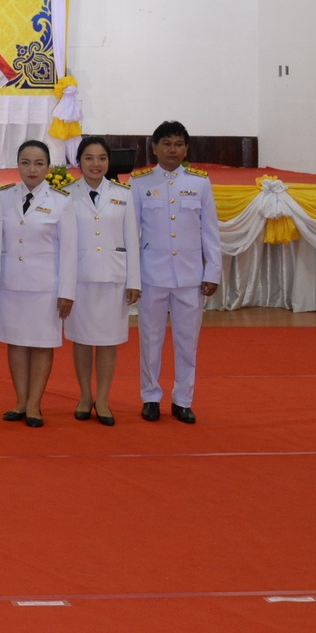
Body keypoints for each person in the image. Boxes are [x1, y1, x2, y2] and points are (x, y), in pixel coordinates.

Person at [131, 120, 222, 424]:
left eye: (179, 144)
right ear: (154, 147)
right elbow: (131, 234)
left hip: (189, 276)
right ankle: (150, 397)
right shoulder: (139, 182)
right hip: (151, 275)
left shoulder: (199, 182)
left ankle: (183, 399)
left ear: (186, 149)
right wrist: (132, 277)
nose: (173, 150)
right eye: (167, 143)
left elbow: (210, 231)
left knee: (187, 342)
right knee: (150, 339)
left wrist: (212, 272)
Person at [0, 139, 78, 427]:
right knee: (16, 343)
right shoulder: (2, 197)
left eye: (39, 163)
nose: (32, 169)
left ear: (48, 167)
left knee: (41, 344)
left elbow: (69, 251)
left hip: (45, 287)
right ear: (17, 164)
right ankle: (19, 401)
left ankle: (34, 405)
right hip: (11, 284)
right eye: (26, 162)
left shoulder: (62, 202)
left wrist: (66, 292)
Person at [66, 136, 139, 426]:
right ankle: (85, 396)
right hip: (80, 279)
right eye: (89, 158)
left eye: (101, 158)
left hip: (113, 278)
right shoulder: (67, 195)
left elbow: (132, 239)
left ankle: (104, 399)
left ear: (109, 162)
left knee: (109, 342)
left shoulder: (124, 194)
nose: (96, 164)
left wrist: (134, 280)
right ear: (79, 162)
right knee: (82, 341)